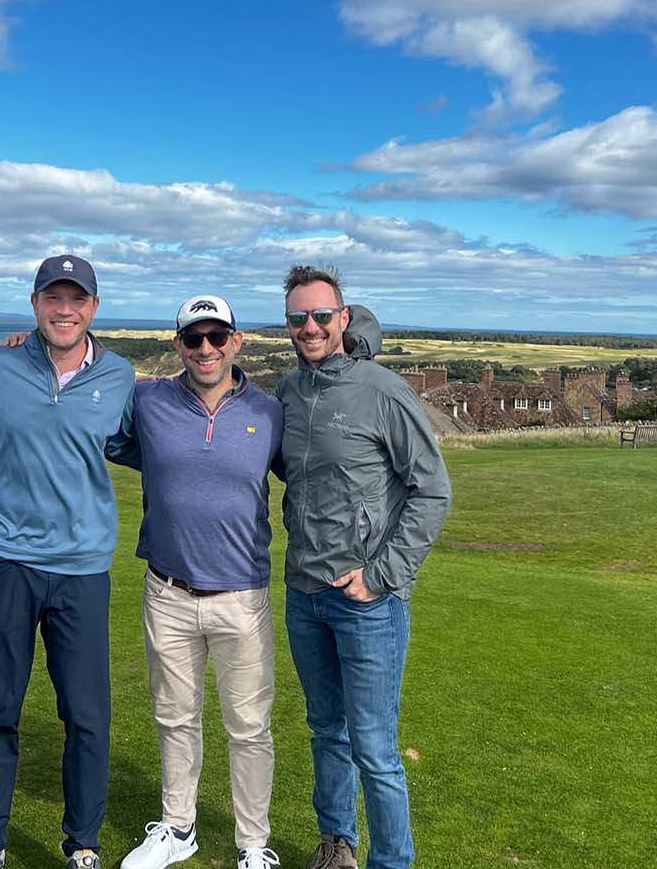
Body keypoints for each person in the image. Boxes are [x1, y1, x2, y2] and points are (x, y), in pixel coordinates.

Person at [0, 254, 135, 869]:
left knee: (86, 716)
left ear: (93, 308)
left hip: (82, 569)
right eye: (53, 299)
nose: (65, 310)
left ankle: (82, 844)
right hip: (4, 562)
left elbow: (133, 443)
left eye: (76, 300)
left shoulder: (120, 376)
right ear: (35, 304)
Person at [275, 266, 452, 869]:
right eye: (298, 318)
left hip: (366, 601)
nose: (310, 327)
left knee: (375, 748)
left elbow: (432, 491)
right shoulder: (289, 392)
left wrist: (379, 576)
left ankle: (391, 861)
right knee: (327, 730)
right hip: (304, 592)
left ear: (344, 319)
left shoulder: (381, 388)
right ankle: (337, 845)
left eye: (322, 315)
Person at [116, 296, 284, 869]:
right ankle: (178, 828)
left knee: (249, 726)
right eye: (194, 338)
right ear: (177, 345)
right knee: (174, 716)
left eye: (217, 337)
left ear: (237, 341)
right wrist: (23, 344)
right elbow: (86, 382)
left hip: (242, 595)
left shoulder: (269, 410)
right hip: (168, 592)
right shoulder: (148, 401)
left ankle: (253, 844)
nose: (206, 349)